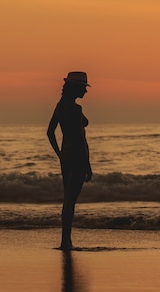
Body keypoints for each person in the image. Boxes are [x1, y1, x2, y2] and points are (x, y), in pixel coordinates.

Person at [47, 71, 93, 250]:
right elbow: (81, 140)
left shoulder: (60, 106)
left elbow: (50, 132)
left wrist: (59, 154)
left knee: (68, 200)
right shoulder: (75, 109)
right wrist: (87, 164)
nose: (86, 92)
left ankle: (65, 239)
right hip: (77, 157)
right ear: (76, 88)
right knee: (71, 200)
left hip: (66, 156)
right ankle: (66, 241)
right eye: (83, 88)